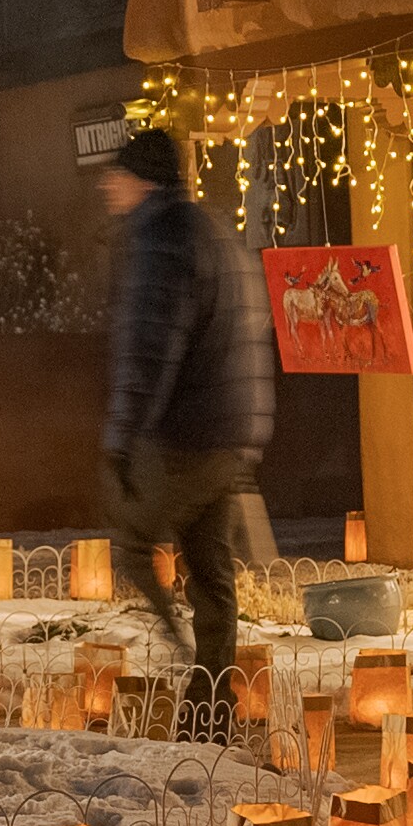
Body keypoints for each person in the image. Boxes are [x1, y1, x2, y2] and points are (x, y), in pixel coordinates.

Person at [95, 127, 274, 684]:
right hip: (233, 434)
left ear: (139, 181)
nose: (108, 186)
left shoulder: (161, 238)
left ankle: (183, 665)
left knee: (129, 543)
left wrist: (122, 438)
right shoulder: (214, 228)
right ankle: (213, 703)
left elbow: (149, 348)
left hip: (185, 436)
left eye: (117, 175)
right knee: (210, 570)